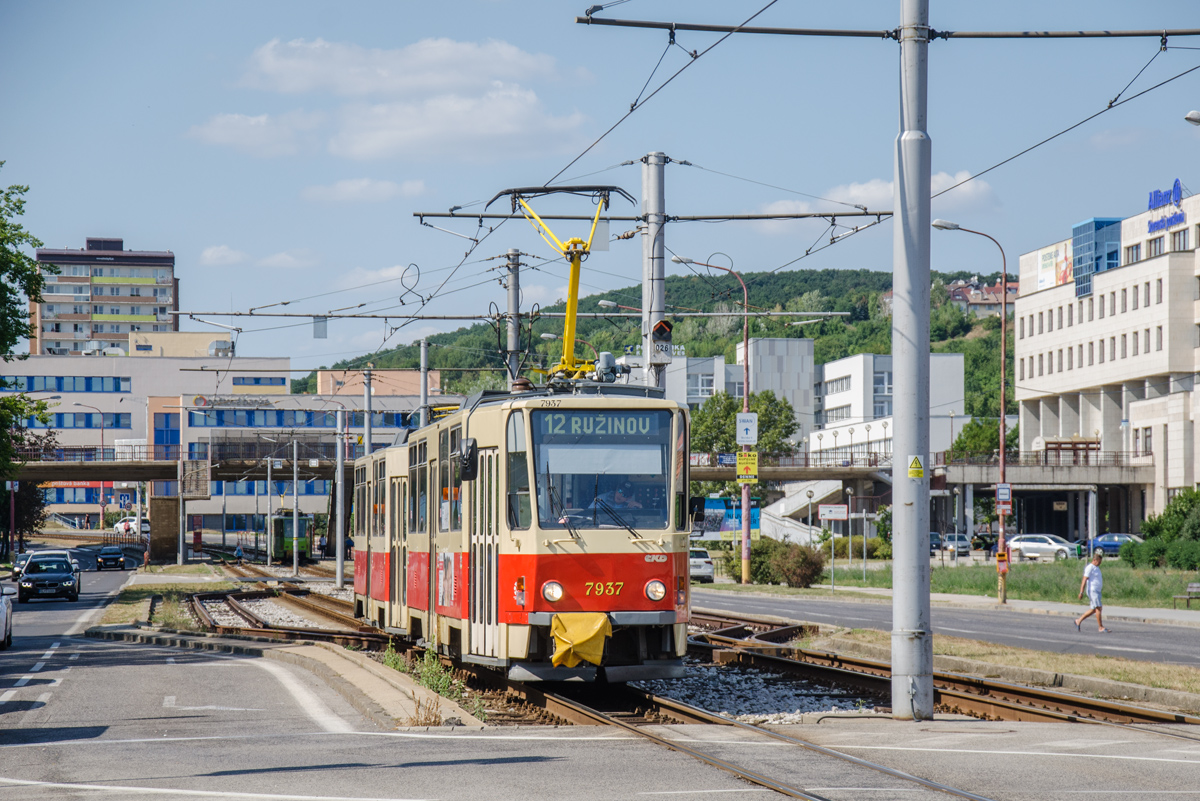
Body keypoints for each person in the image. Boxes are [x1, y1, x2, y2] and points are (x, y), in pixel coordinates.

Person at [1074, 552, 1108, 633]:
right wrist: (1081, 592)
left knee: (1093, 610)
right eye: (1099, 561)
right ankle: (1100, 627)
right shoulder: (1090, 567)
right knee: (1098, 608)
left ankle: (1078, 621)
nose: (1100, 563)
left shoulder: (1096, 568)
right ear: (1094, 560)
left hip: (1097, 591)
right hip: (1093, 591)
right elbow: (1084, 579)